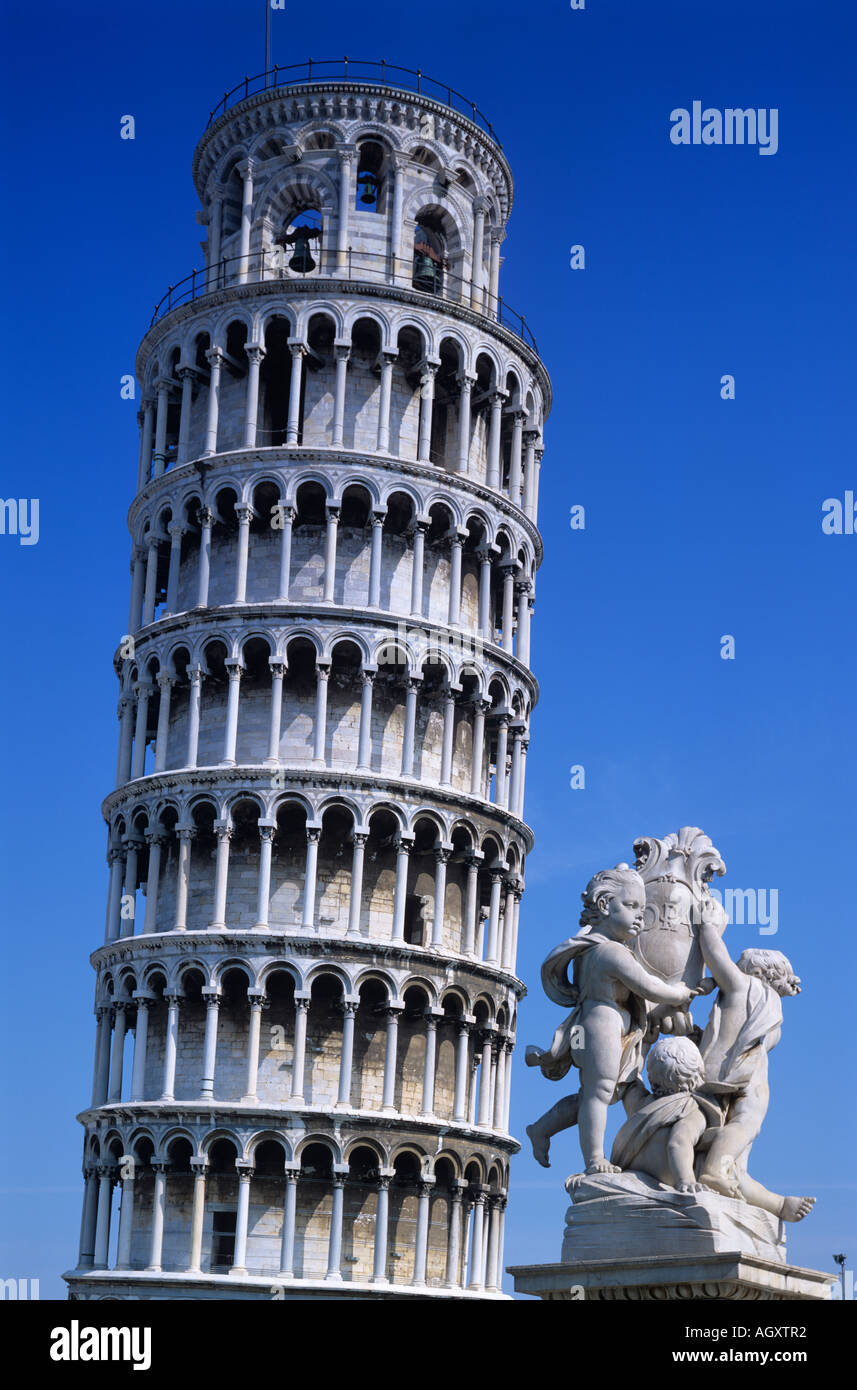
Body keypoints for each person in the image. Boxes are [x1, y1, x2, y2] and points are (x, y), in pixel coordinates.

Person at [525, 863, 702, 1173]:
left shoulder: (592, 948)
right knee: (599, 1092)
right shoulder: (610, 952)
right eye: (631, 905)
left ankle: (541, 1128)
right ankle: (594, 1160)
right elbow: (648, 986)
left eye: (642, 908)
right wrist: (679, 994)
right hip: (601, 1025)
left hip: (599, 1026)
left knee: (597, 1093)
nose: (639, 915)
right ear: (605, 905)